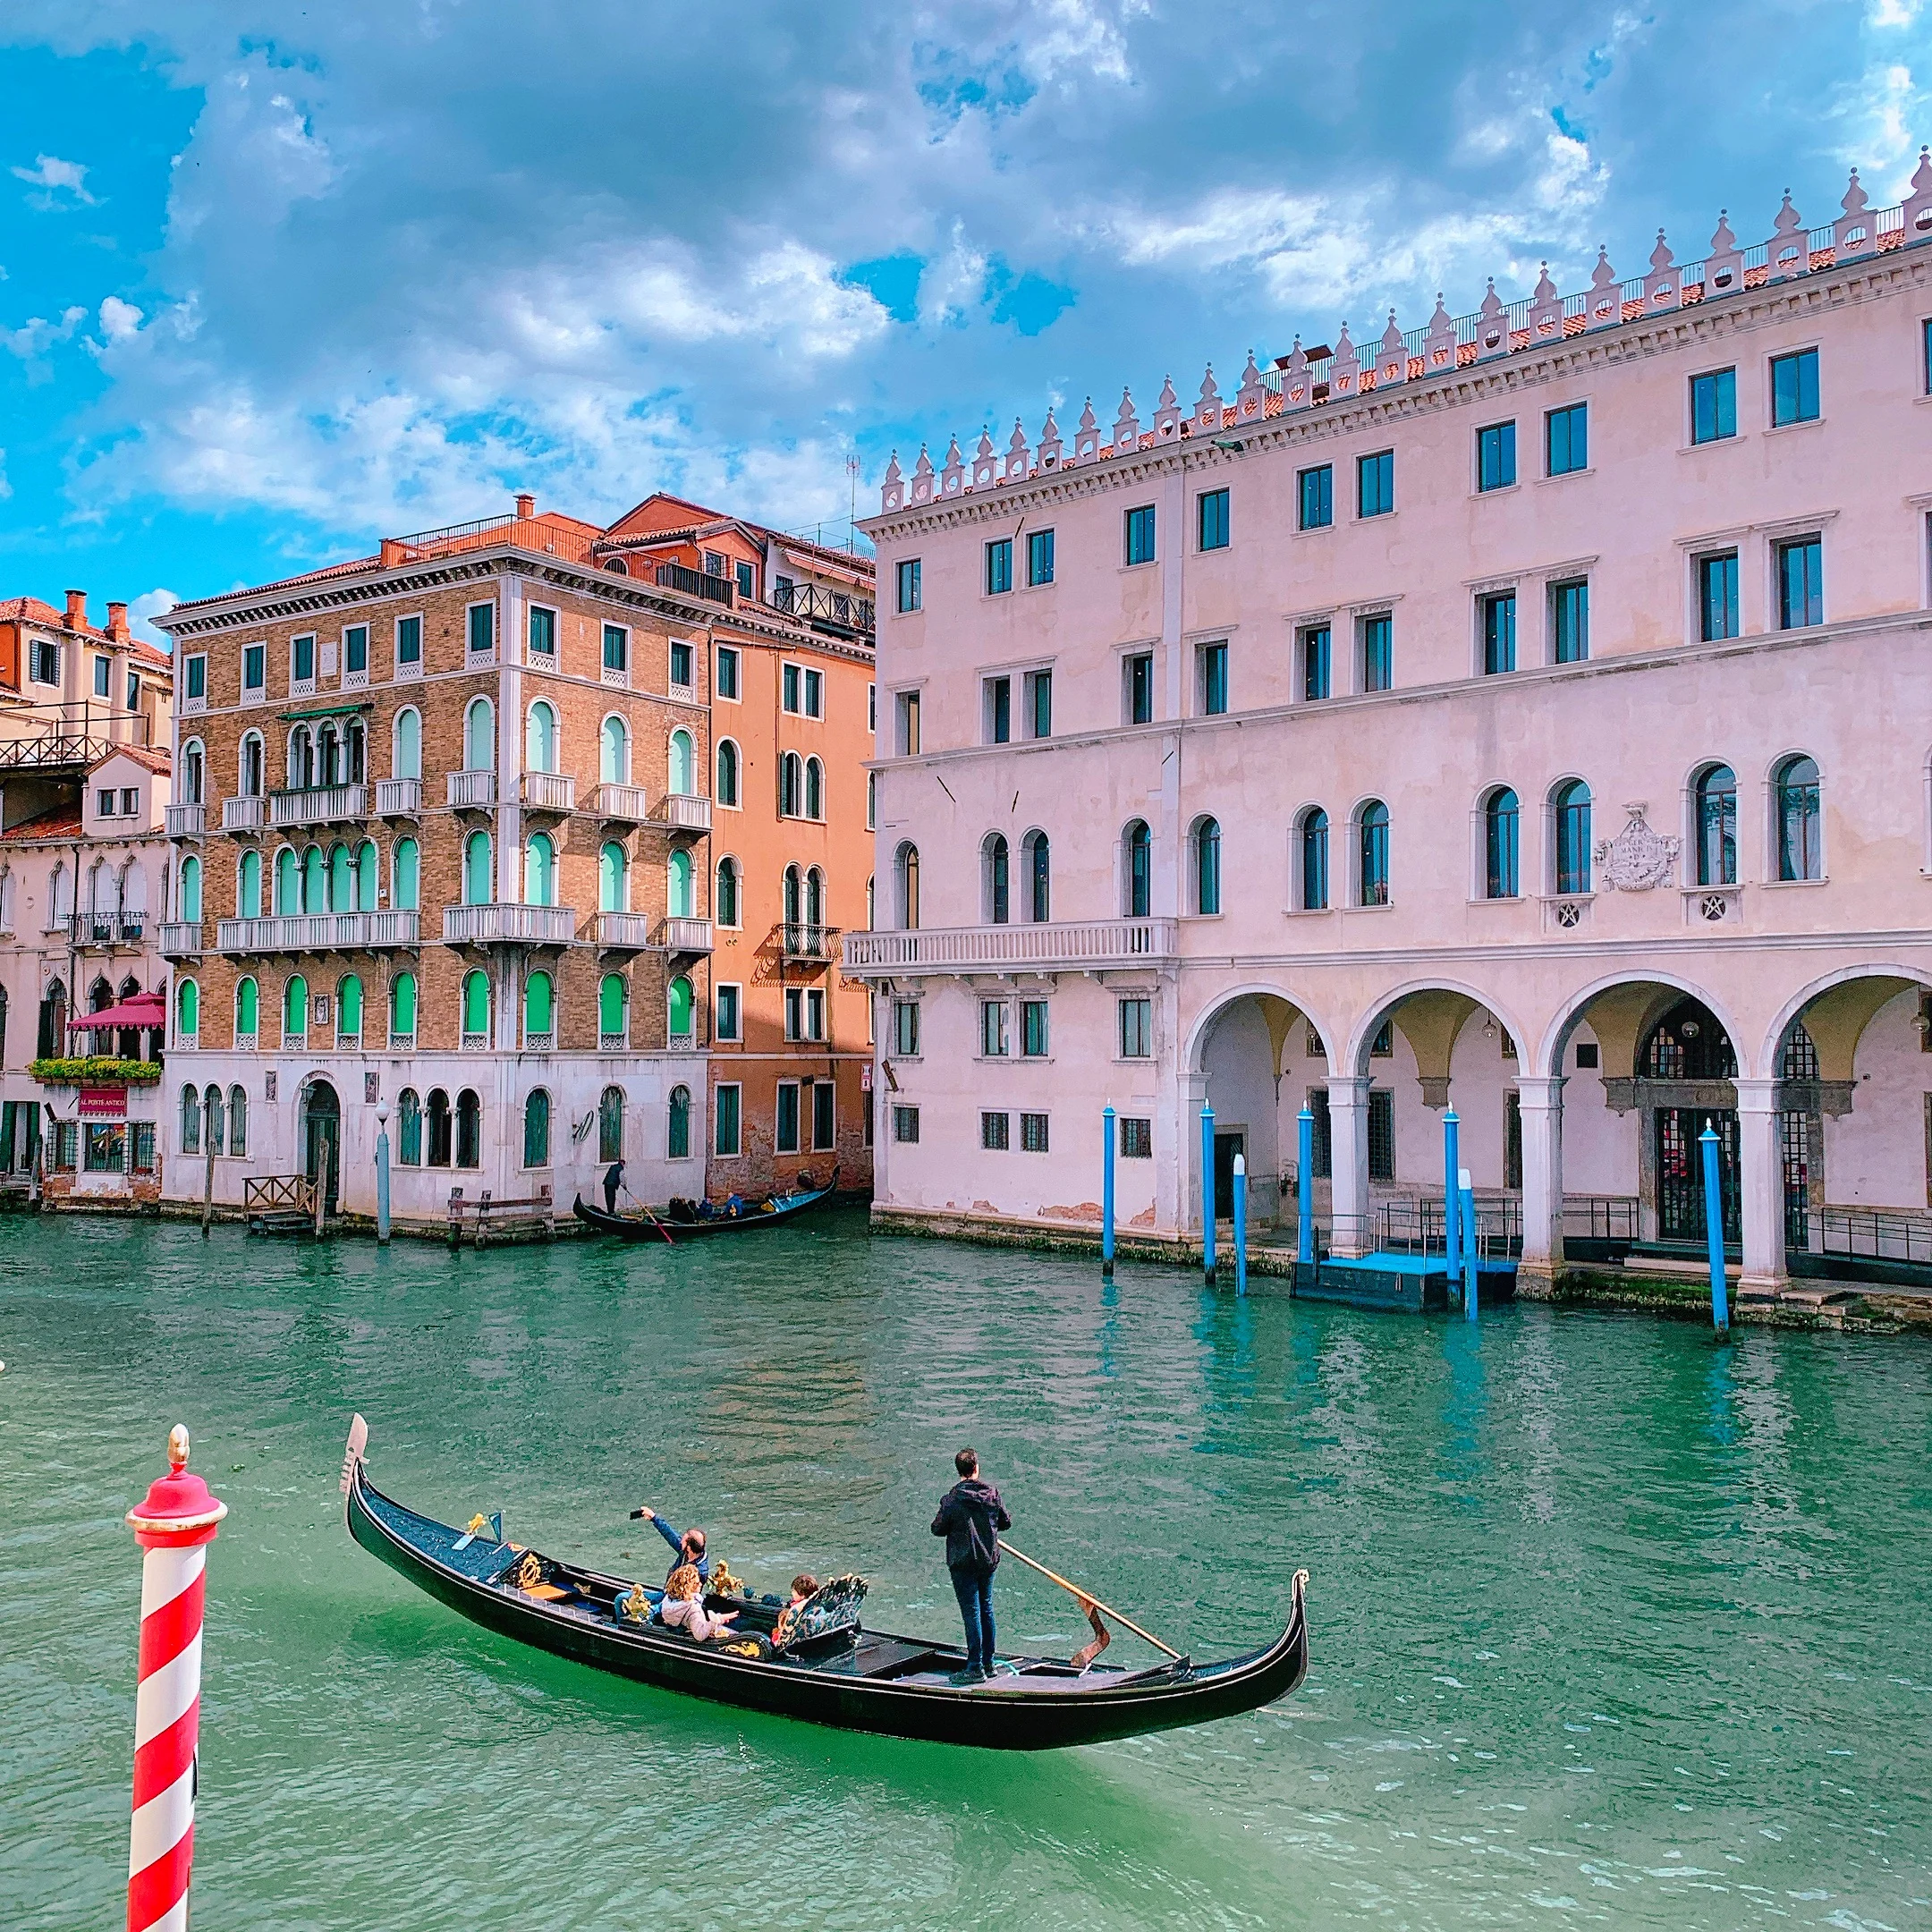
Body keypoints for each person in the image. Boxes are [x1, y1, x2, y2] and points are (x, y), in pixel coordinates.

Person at [931, 1447, 1010, 1682]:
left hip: (963, 1563)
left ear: (959, 1471)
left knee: (972, 1612)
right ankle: (989, 1663)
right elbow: (1005, 1522)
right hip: (987, 1561)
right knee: (986, 1608)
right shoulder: (992, 1494)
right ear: (976, 1468)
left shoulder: (952, 1499)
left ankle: (974, 1667)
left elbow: (937, 1528)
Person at [632, 1505, 711, 1585]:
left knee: (624, 1596)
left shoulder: (700, 1572)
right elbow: (670, 1534)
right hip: (668, 1592)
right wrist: (653, 1517)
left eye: (683, 1541)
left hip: (678, 1596)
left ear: (689, 1547)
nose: (680, 1542)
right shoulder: (685, 1551)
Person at [658, 1563, 738, 1642]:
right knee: (736, 1635)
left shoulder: (668, 1601)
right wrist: (719, 1619)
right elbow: (700, 1635)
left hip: (680, 1632)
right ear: (688, 1587)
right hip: (706, 1637)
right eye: (696, 1583)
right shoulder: (692, 1608)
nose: (700, 1584)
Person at [772, 1572, 819, 1651]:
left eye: (794, 1591)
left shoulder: (796, 1609)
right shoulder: (813, 1604)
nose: (792, 1593)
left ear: (802, 1595)